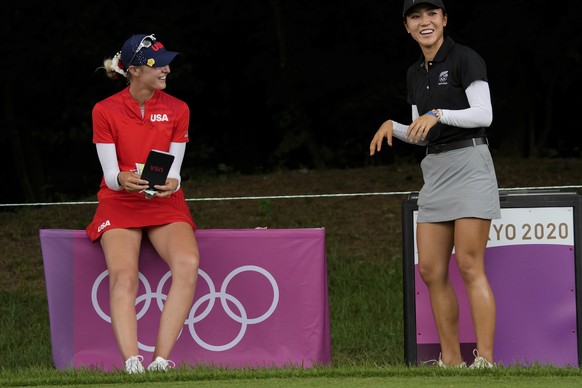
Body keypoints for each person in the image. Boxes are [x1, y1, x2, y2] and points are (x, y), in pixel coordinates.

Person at [369, 0, 500, 369]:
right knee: (430, 270)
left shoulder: (465, 58)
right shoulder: (415, 73)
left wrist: (439, 112)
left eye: (431, 15)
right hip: (436, 170)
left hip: (471, 163)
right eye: (415, 17)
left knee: (470, 265)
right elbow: (422, 134)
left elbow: (483, 114)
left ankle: (486, 362)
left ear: (444, 19)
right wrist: (392, 127)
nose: (424, 22)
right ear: (407, 26)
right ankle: (451, 361)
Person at [86, 34, 200, 374]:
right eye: (157, 64)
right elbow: (109, 175)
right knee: (123, 277)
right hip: (120, 202)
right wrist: (122, 179)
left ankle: (161, 361)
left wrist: (172, 183)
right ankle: (132, 363)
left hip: (164, 201)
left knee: (188, 262)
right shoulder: (104, 110)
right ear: (135, 70)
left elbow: (175, 170)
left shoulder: (179, 108)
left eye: (166, 62)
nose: (166, 69)